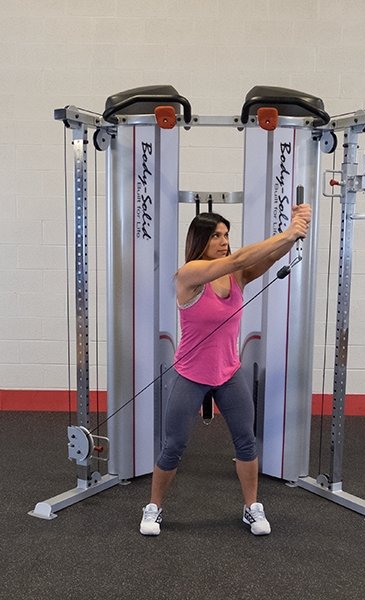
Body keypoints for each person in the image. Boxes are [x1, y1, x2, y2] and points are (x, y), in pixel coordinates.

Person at [140, 202, 312, 536]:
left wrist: (295, 233)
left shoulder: (236, 276)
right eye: (216, 235)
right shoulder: (189, 274)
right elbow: (238, 259)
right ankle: (153, 507)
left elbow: (267, 258)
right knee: (173, 446)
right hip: (190, 374)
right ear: (200, 239)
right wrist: (288, 232)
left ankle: (252, 507)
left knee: (246, 442)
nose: (224, 241)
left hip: (229, 373)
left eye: (226, 235)